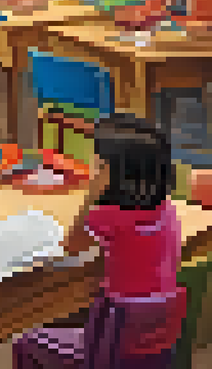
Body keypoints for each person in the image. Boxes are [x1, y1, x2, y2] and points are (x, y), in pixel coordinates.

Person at [13, 114, 185, 368]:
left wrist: (90, 197)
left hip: (110, 345)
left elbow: (71, 247)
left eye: (98, 165)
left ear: (113, 173)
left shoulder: (108, 217)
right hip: (154, 348)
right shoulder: (167, 210)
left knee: (25, 342)